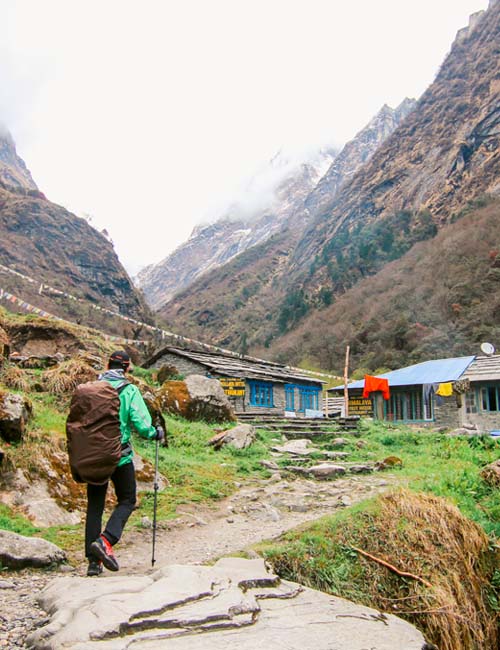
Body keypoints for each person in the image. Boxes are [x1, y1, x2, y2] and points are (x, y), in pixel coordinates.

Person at [86, 350, 164, 576]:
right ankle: (106, 541)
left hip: (94, 456)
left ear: (107, 364)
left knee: (95, 506)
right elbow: (141, 424)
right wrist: (154, 432)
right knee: (127, 499)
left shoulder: (91, 388)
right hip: (120, 456)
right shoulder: (129, 390)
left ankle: (93, 563)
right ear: (127, 368)